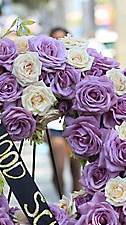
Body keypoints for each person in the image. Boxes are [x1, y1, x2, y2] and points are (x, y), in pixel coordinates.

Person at [46, 27, 82, 196]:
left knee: (77, 173)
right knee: (58, 173)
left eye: (63, 39)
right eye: (55, 40)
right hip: (54, 128)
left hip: (74, 126)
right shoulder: (45, 68)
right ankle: (63, 202)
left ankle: (74, 210)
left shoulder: (77, 65)